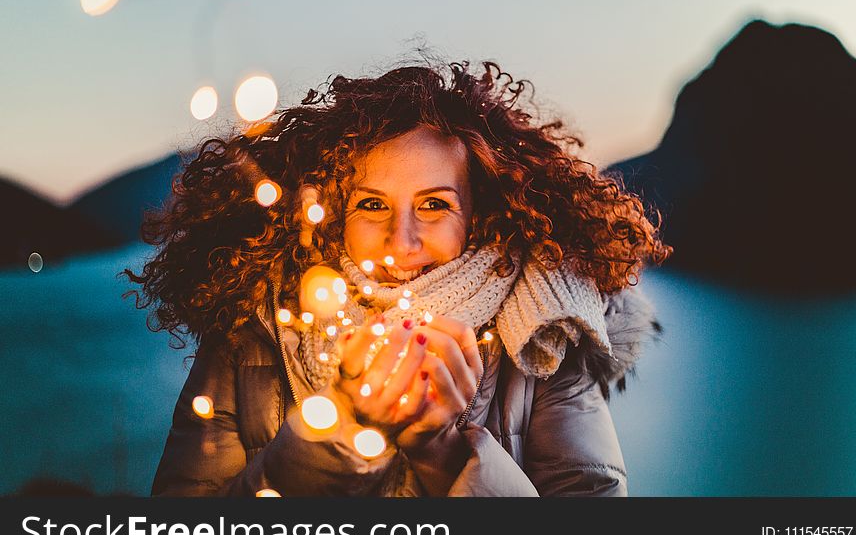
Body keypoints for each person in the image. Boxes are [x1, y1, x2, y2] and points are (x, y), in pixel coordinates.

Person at [124, 60, 671, 497]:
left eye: (434, 204)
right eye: (371, 205)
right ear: (336, 215)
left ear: (477, 216)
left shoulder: (545, 338)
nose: (402, 241)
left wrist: (444, 452)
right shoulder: (252, 331)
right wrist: (340, 432)